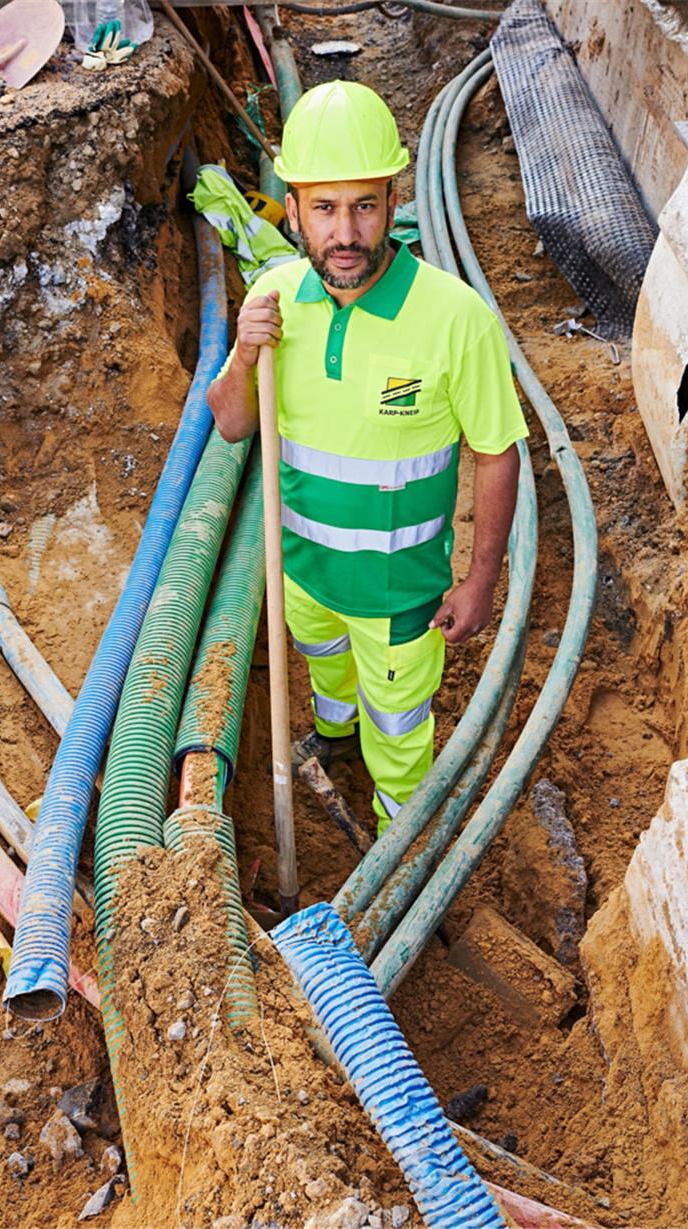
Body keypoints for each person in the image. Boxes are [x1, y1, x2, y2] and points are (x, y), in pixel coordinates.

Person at [207, 80, 528, 836]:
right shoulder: (276, 298)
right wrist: (246, 353)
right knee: (329, 673)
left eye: (363, 206)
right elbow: (229, 425)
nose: (344, 232)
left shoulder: (455, 319)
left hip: (398, 597)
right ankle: (334, 735)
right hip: (303, 574)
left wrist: (482, 581)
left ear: (392, 202)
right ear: (292, 210)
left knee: (399, 732)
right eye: (324, 207)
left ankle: (394, 842)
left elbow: (497, 451)